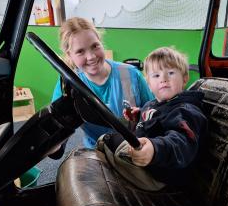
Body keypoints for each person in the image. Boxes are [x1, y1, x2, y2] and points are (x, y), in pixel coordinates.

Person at [99, 47, 208, 191]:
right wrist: (138, 116)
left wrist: (155, 149)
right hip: (148, 164)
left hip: (162, 177)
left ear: (185, 79)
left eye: (170, 73)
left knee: (108, 141)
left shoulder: (186, 110)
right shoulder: (153, 104)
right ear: (149, 85)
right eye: (156, 75)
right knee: (109, 141)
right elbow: (154, 121)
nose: (163, 79)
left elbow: (181, 141)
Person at [52, 17, 154, 149]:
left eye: (95, 46)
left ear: (100, 42)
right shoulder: (68, 85)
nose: (91, 57)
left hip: (134, 148)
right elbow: (58, 129)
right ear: (69, 54)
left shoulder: (131, 74)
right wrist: (55, 143)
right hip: (96, 152)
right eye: (80, 51)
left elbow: (153, 113)